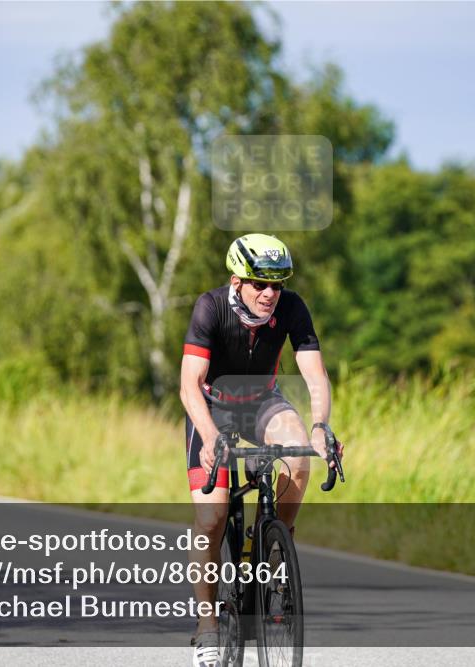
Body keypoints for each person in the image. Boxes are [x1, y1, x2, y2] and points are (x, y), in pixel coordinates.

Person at [180, 233, 342, 667]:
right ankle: (207, 624)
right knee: (212, 518)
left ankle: (273, 544)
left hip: (261, 403)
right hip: (213, 408)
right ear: (237, 281)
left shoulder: (291, 307)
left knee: (297, 454)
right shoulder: (210, 307)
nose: (271, 293)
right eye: (260, 284)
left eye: (278, 285)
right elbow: (189, 385)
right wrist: (211, 435)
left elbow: (315, 376)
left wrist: (321, 427)